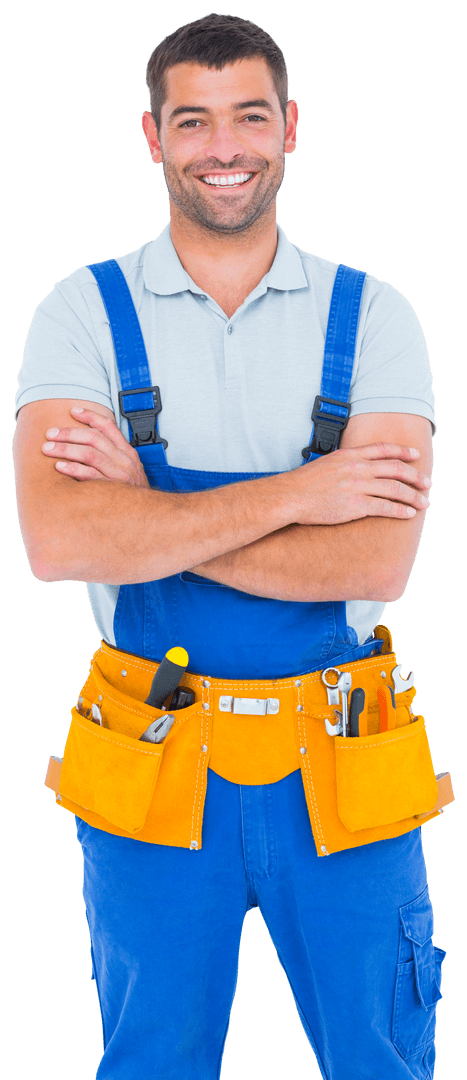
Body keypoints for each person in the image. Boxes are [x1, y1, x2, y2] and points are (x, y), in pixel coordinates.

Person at [13, 12, 447, 1080]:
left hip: (340, 756)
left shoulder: (376, 315)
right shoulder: (77, 313)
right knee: (150, 1061)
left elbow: (375, 564)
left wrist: (146, 511)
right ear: (151, 137)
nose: (224, 146)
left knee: (381, 1059)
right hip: (150, 754)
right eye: (192, 120)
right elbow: (60, 539)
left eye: (248, 116)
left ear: (289, 127)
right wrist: (307, 491)